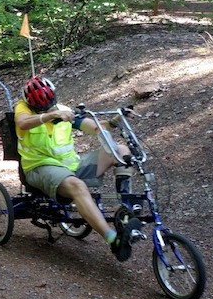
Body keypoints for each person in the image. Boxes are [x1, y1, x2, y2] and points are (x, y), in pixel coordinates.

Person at [14, 75, 141, 262]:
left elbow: (94, 127)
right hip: (40, 167)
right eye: (42, 107)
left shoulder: (63, 110)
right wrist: (50, 115)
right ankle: (113, 239)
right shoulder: (23, 109)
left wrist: (114, 122)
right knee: (77, 186)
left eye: (50, 104)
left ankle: (126, 211)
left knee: (120, 151)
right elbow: (23, 123)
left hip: (71, 164)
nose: (48, 108)